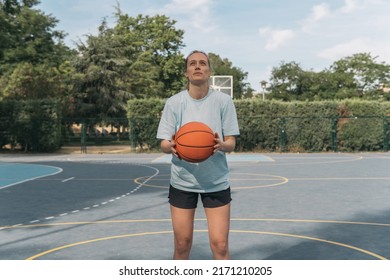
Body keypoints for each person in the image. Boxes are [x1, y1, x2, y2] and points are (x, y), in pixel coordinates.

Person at [156, 50, 240, 260]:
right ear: (186, 72)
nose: (197, 66)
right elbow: (164, 143)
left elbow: (231, 143)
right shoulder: (174, 103)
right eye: (192, 63)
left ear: (209, 71)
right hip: (182, 182)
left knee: (220, 246)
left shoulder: (223, 101)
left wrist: (221, 145)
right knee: (182, 245)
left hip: (216, 181)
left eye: (202, 63)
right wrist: (172, 145)